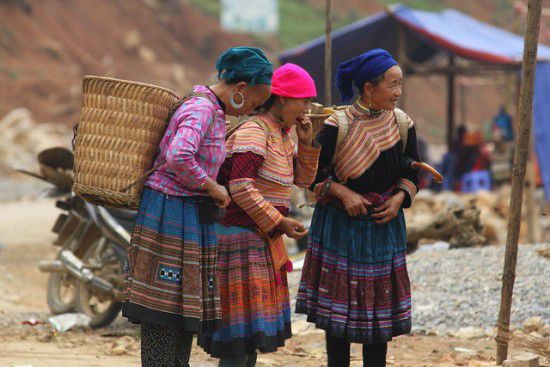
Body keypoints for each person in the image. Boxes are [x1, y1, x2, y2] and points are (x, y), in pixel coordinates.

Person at [122, 46, 273, 367]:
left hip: (188, 213)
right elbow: (179, 155)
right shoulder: (201, 110)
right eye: (255, 103)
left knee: (180, 307)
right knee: (164, 308)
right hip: (170, 212)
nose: (250, 111)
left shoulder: (214, 112)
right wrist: (211, 186)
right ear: (241, 89)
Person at [296, 49, 420, 367]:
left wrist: (399, 199)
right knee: (337, 315)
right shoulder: (338, 126)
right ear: (368, 87)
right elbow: (310, 179)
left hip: (383, 226)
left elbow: (412, 172)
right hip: (340, 226)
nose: (397, 92)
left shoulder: (403, 124)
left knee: (378, 317)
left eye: (400, 84)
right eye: (391, 85)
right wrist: (342, 192)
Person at [198, 63, 321, 367]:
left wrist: (306, 144)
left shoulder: (282, 135)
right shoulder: (255, 132)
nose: (307, 108)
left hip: (260, 240)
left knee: (249, 338)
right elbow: (240, 186)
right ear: (283, 100)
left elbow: (303, 182)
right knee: (237, 339)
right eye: (303, 101)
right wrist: (279, 221)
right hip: (238, 240)